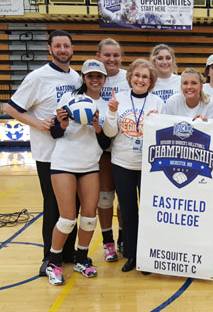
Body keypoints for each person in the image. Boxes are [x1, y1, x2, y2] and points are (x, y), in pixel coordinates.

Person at [4, 30, 81, 276]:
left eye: (66, 46)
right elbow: (11, 107)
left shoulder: (77, 78)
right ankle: (50, 257)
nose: (62, 50)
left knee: (72, 207)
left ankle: (67, 253)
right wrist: (37, 123)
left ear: (72, 49)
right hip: (48, 155)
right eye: (57, 46)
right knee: (53, 207)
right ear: (50, 49)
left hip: (72, 153)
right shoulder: (37, 77)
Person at [45, 59, 112, 285]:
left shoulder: (105, 105)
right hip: (64, 163)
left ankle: (82, 258)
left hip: (90, 165)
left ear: (104, 79)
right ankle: (53, 263)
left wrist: (97, 126)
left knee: (90, 217)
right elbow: (55, 133)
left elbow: (104, 144)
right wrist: (62, 124)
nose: (95, 80)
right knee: (67, 218)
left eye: (99, 76)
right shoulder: (68, 98)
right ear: (84, 78)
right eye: (90, 76)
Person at [103, 59, 165, 272]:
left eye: (145, 77)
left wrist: (157, 123)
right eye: (137, 75)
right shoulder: (117, 99)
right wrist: (111, 112)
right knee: (128, 212)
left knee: (149, 212)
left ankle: (148, 256)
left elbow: (163, 136)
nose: (140, 80)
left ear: (151, 81)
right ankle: (132, 255)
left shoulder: (157, 103)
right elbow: (110, 134)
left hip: (148, 165)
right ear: (130, 77)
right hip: (122, 163)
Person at [96, 38, 128, 260]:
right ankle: (108, 242)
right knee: (106, 198)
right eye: (107, 55)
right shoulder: (93, 78)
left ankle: (123, 238)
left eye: (115, 55)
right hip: (102, 149)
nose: (111, 59)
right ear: (99, 56)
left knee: (125, 200)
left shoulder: (128, 78)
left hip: (125, 146)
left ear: (121, 57)